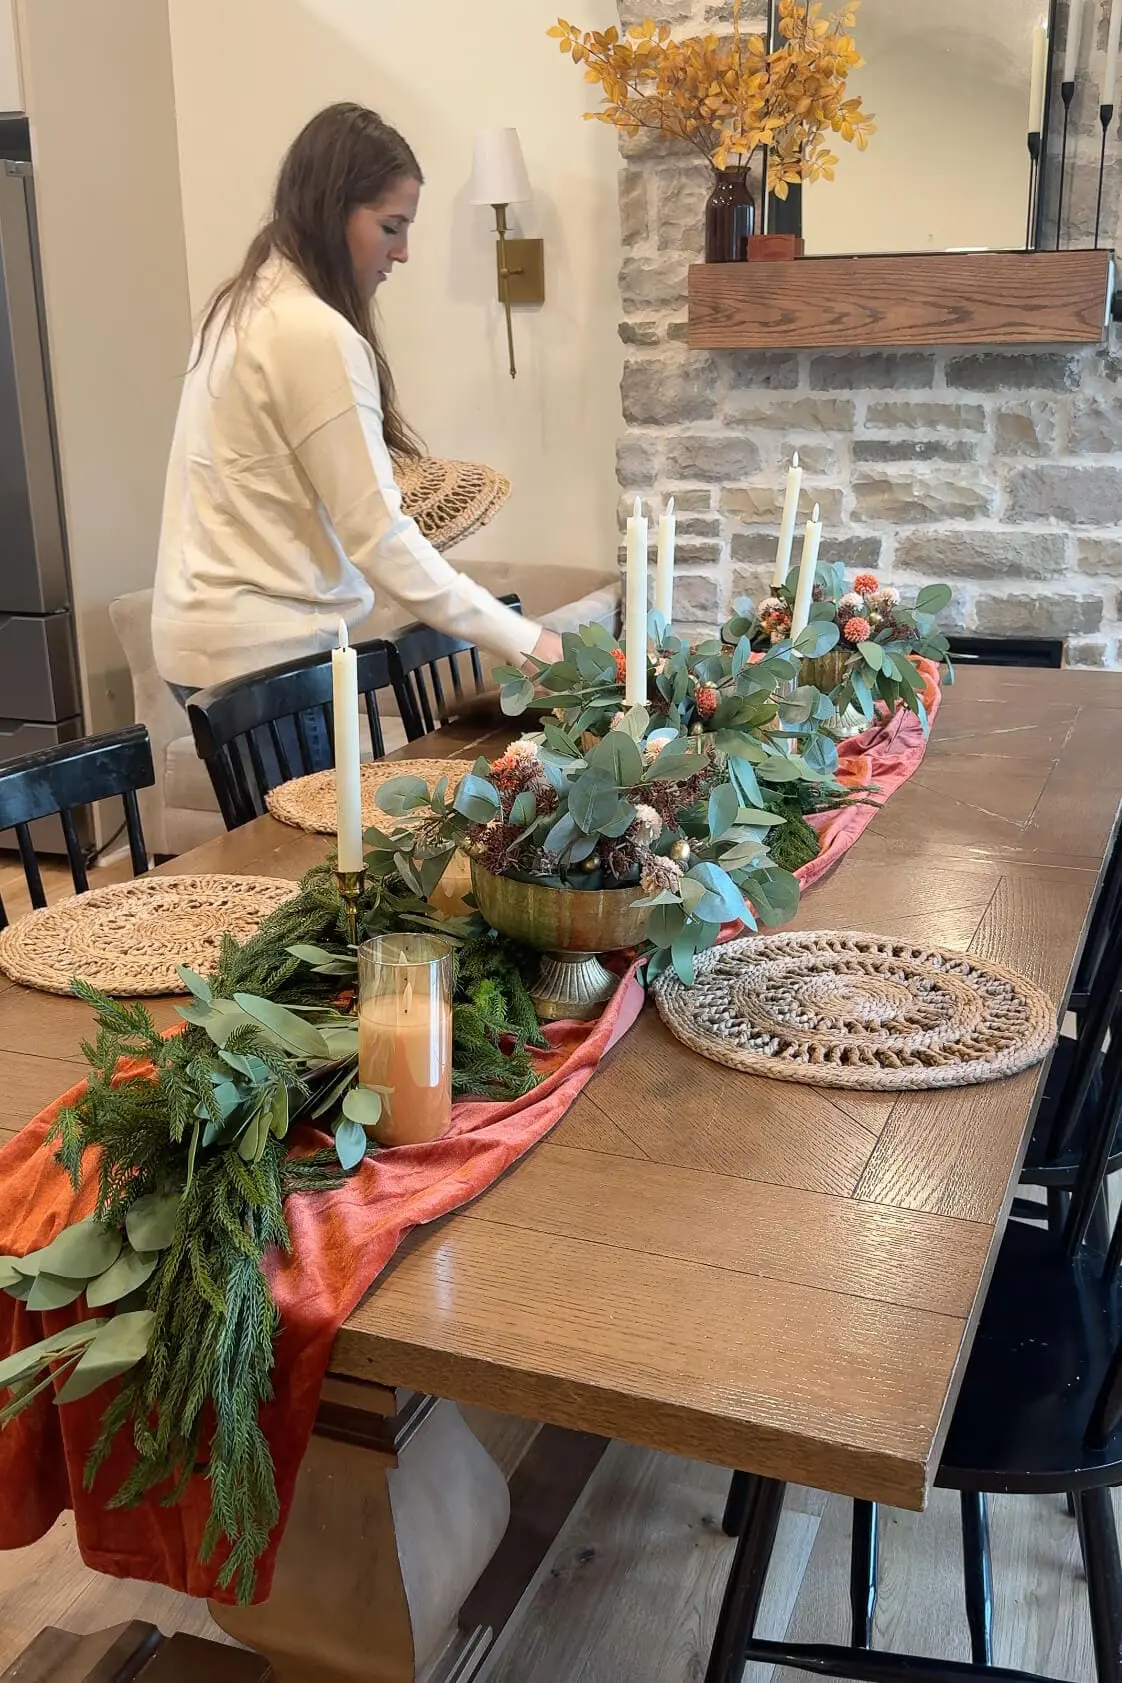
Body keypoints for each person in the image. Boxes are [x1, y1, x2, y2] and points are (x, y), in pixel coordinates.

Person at [152, 102, 562, 701]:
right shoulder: (310, 331)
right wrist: (526, 640)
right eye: (392, 226)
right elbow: (380, 536)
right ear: (331, 211)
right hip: (268, 654)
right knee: (327, 803)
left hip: (206, 641)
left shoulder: (242, 306)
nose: (403, 252)